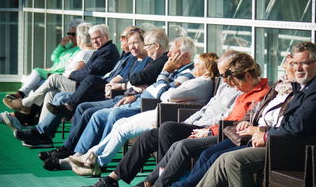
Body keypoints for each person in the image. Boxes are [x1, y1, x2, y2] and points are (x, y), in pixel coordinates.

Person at [150, 42, 316, 187]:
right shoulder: (308, 86)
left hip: (302, 152)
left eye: (305, 63)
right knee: (223, 157)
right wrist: (262, 131)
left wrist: (265, 135)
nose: (298, 68)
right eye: (295, 63)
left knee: (231, 159)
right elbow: (289, 123)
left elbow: (295, 128)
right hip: (285, 144)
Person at [108, 52, 270, 187]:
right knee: (163, 133)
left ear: (246, 75)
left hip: (223, 133)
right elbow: (210, 108)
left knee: (182, 145)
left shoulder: (254, 93)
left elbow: (231, 121)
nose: (226, 81)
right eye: (223, 76)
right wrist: (190, 123)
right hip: (211, 126)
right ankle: (146, 185)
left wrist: (208, 130)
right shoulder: (241, 90)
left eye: (227, 76)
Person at [142, 55, 295, 187]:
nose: (230, 84)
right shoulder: (246, 92)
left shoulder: (262, 93)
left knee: (185, 146)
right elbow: (229, 115)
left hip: (230, 134)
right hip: (224, 130)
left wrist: (210, 130)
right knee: (172, 135)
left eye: (231, 79)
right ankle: (153, 183)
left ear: (248, 76)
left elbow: (236, 120)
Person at [64, 52, 220, 172]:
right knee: (120, 123)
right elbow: (163, 93)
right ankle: (92, 154)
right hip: (164, 109)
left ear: (206, 71)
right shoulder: (197, 80)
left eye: (197, 65)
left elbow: (168, 95)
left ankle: (96, 162)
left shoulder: (202, 82)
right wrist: (165, 91)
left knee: (122, 130)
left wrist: (164, 75)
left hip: (168, 113)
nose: (193, 67)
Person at [3, 24, 118, 118]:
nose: (95, 41)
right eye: (93, 39)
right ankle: (41, 131)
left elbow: (89, 72)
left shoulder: (107, 51)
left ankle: (25, 103)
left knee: (53, 78)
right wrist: (62, 47)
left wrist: (70, 74)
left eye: (98, 38)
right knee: (50, 94)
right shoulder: (102, 50)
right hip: (84, 84)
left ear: (106, 36)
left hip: (87, 87)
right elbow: (56, 59)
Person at [3, 19, 83, 101]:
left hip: (59, 75)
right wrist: (61, 46)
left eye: (73, 34)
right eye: (69, 33)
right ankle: (24, 105)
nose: (70, 36)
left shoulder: (79, 49)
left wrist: (52, 70)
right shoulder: (68, 46)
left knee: (37, 72)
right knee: (37, 83)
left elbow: (67, 65)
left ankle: (22, 95)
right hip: (52, 73)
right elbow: (54, 58)